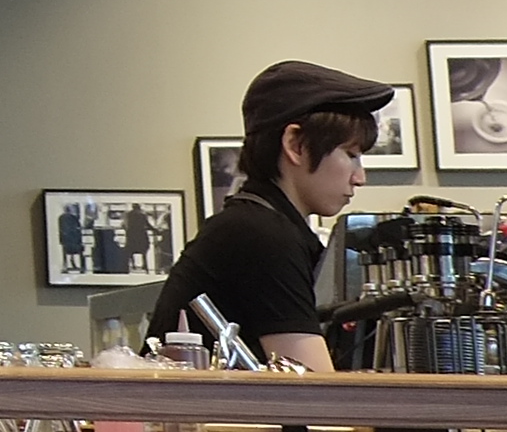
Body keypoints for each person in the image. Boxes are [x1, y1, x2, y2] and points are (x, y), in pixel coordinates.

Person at [142, 60, 384, 368]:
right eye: (351, 155)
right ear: (296, 144)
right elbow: (315, 388)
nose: (359, 178)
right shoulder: (261, 235)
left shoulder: (262, 225)